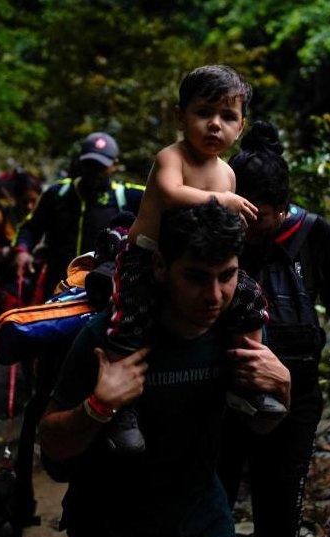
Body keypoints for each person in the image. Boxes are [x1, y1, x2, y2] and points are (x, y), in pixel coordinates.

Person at [39, 201, 291, 537]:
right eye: (196, 277)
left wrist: (283, 390)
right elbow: (52, 449)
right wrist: (97, 407)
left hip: (203, 521)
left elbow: (260, 428)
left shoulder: (240, 333)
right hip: (109, 527)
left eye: (227, 276)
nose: (214, 297)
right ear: (160, 266)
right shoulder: (110, 338)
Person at [217, 121, 330, 537]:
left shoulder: (315, 234)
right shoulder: (221, 226)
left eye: (261, 218)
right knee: (213, 501)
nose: (250, 228)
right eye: (244, 214)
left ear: (283, 205)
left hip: (297, 396)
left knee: (279, 511)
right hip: (222, 389)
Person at [103, 64, 282, 454]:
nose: (214, 125)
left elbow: (226, 233)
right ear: (180, 116)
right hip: (146, 255)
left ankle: (245, 384)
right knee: (130, 318)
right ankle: (123, 407)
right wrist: (226, 201)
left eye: (228, 117)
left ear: (241, 126)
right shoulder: (172, 157)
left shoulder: (227, 174)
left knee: (251, 300)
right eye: (204, 113)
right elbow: (170, 194)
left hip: (201, 263)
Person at [14, 133, 144, 298]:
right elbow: (30, 228)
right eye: (89, 164)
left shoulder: (127, 196)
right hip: (56, 285)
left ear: (114, 165)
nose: (94, 172)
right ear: (80, 162)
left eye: (101, 166)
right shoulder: (57, 194)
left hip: (102, 290)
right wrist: (22, 251)